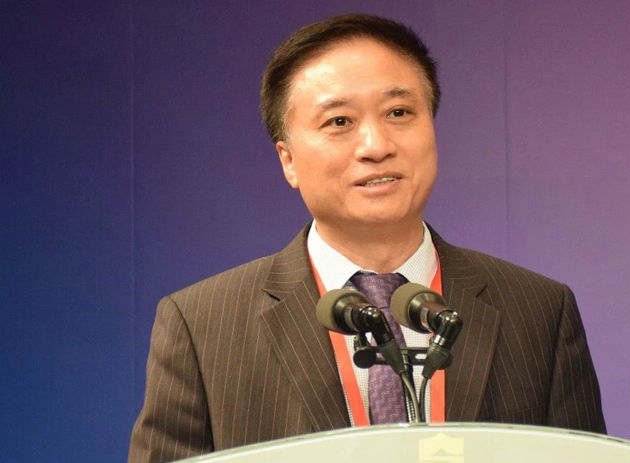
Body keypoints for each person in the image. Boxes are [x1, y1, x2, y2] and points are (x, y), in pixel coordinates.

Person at [128, 13, 605, 463]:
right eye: (339, 122)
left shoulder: (539, 311)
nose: (376, 145)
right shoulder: (202, 325)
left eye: (399, 112)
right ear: (288, 160)